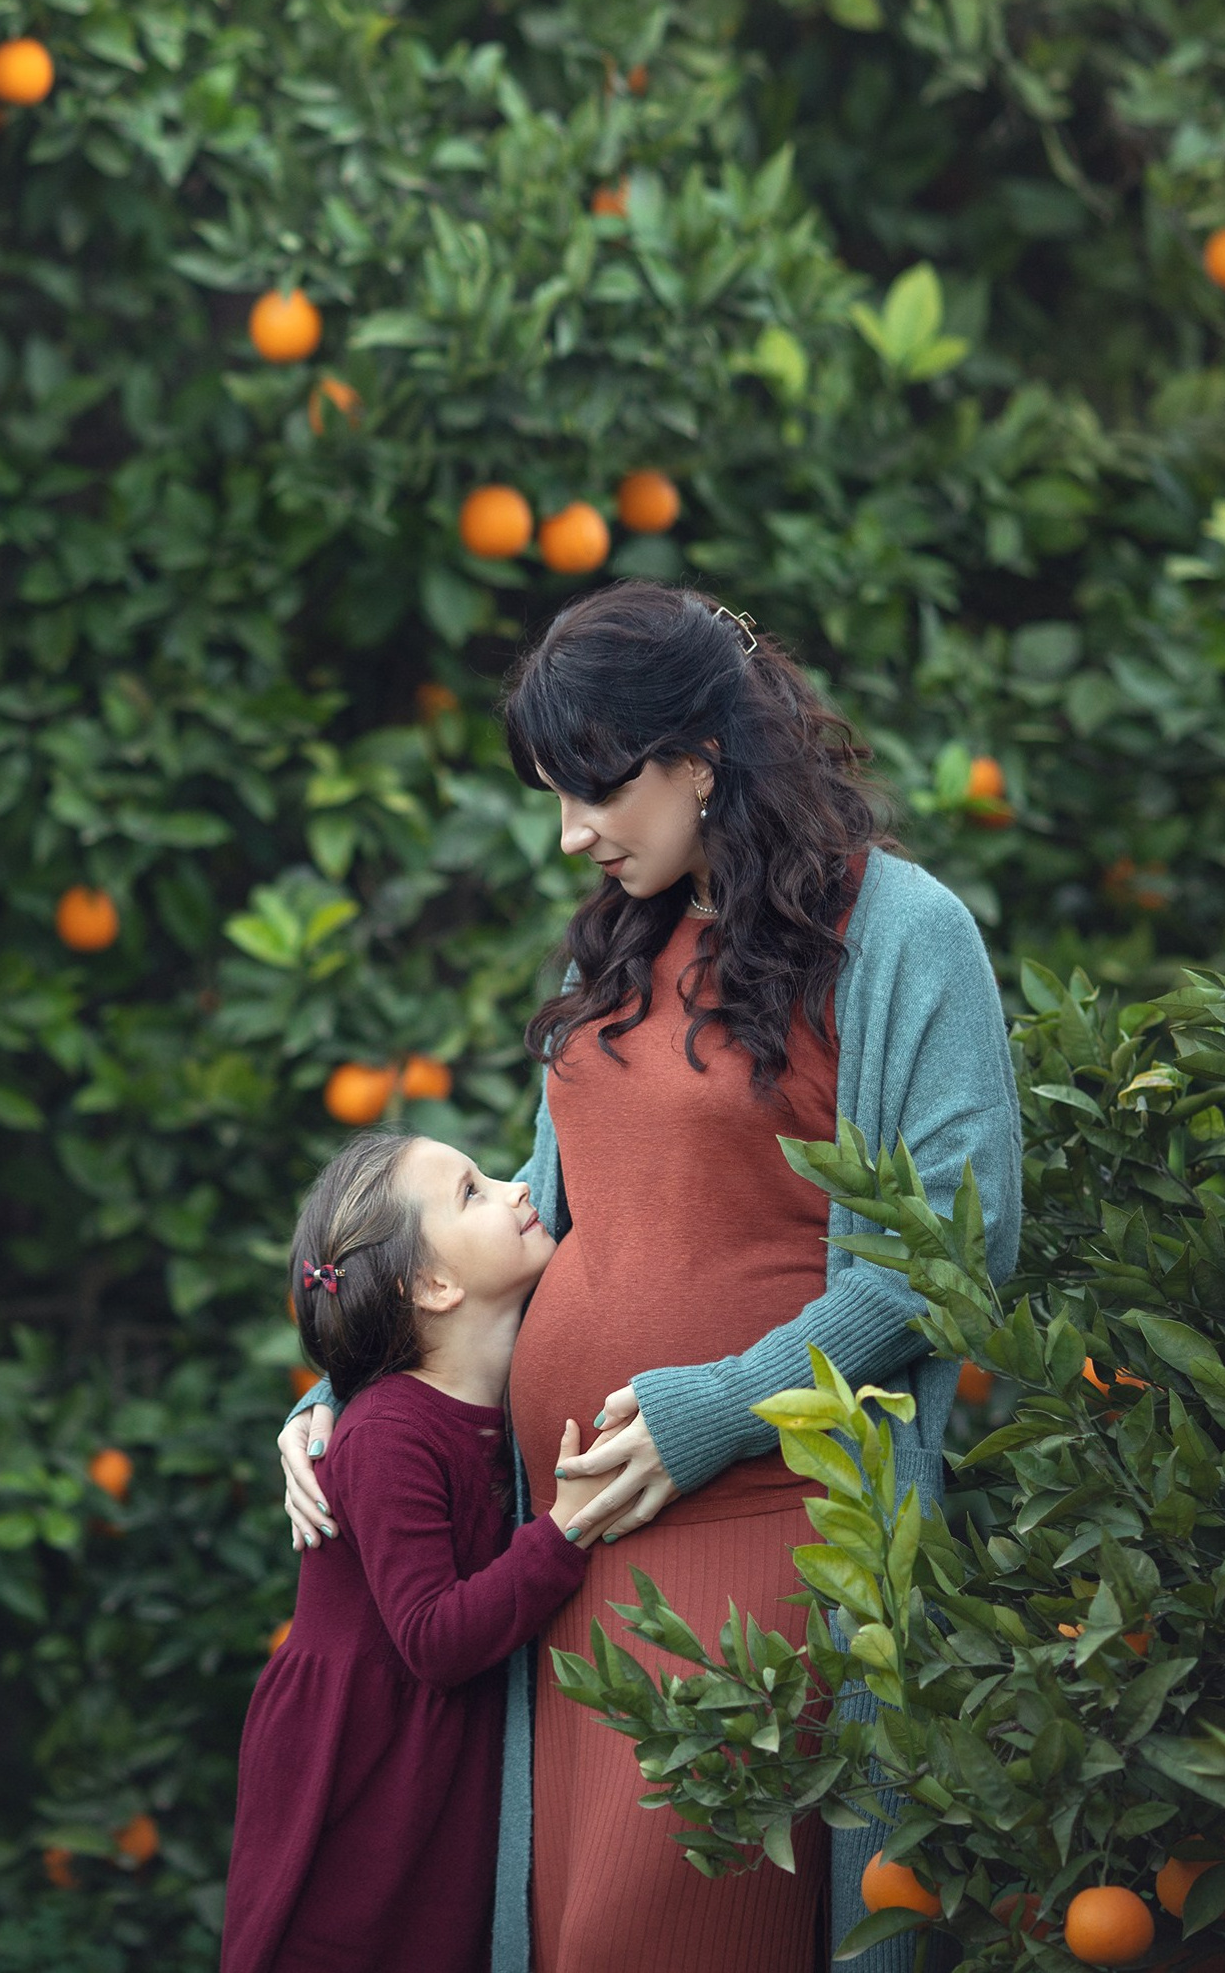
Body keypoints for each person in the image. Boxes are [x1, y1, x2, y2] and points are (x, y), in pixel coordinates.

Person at [277, 582, 1023, 1973]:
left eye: (597, 793)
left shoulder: (905, 937)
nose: (574, 835)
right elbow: (539, 1207)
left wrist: (718, 1411)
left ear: (700, 757)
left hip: (762, 1521)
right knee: (567, 1936)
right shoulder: (622, 936)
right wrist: (354, 1385)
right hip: (570, 1553)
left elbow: (952, 1251)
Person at [222, 1131, 602, 1973]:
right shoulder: (390, 1433)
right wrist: (563, 1532)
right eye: (474, 1190)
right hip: (362, 1760)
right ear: (432, 1284)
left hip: (428, 1740)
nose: (517, 1188)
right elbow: (433, 1637)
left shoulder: (478, 1394)